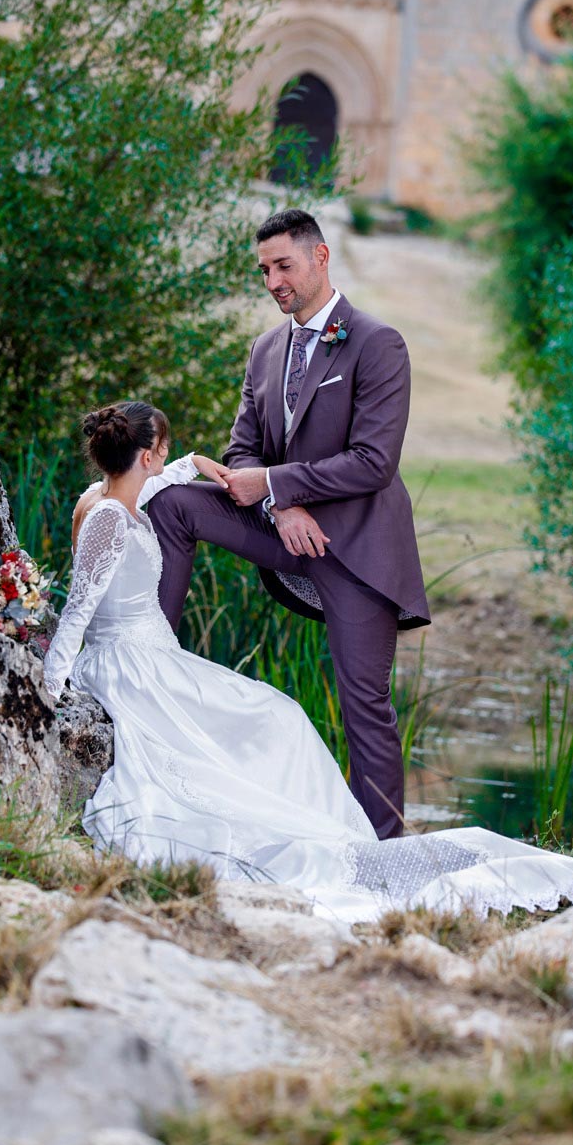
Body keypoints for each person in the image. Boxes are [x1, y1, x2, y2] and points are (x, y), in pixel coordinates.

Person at [41, 399, 573, 927]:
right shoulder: (107, 520)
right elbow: (77, 612)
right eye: (163, 452)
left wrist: (191, 463)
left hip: (153, 657)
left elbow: (140, 501)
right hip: (135, 669)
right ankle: (336, 845)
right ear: (146, 453)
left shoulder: (108, 499)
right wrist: (50, 688)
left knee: (280, 714)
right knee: (270, 722)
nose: (166, 463)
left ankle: (351, 838)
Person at [147, 207, 430, 842]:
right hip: (283, 531)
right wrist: (280, 503)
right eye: (264, 270)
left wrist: (276, 483)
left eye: (285, 266)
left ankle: (382, 853)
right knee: (173, 503)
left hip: (357, 550)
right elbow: (243, 449)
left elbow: (374, 463)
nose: (274, 281)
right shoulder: (266, 349)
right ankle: (152, 662)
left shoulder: (377, 343)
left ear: (321, 258)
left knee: (367, 708)